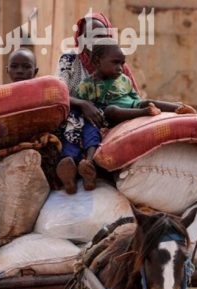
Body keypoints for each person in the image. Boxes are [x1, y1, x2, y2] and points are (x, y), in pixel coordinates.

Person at [54, 12, 129, 194]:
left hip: (102, 118)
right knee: (74, 123)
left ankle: (89, 166)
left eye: (102, 36)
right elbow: (59, 93)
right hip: (72, 114)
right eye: (91, 36)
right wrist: (82, 104)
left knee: (97, 128)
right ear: (81, 38)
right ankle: (69, 167)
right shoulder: (69, 60)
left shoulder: (116, 64)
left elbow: (128, 98)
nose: (96, 41)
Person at [76, 42, 195, 126]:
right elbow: (81, 105)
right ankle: (145, 112)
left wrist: (140, 103)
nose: (120, 68)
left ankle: (178, 107)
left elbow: (134, 96)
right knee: (111, 110)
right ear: (97, 61)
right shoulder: (87, 85)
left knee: (147, 102)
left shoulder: (124, 80)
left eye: (122, 64)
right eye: (115, 63)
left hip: (133, 105)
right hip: (112, 114)